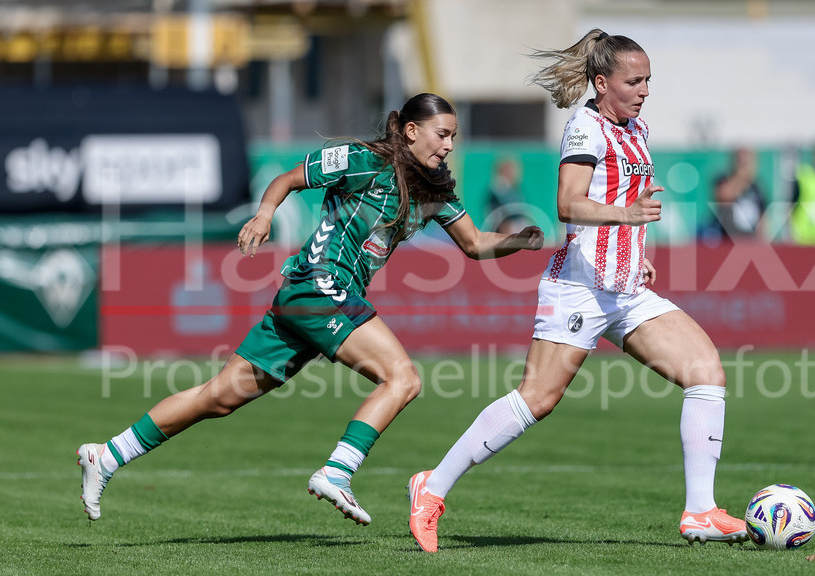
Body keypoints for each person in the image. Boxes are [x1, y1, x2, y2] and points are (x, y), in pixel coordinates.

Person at [77, 93, 544, 526]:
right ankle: (338, 471)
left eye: (454, 137)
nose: (448, 145)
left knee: (218, 397)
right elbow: (289, 178)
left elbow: (475, 243)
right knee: (403, 378)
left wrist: (518, 242)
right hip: (320, 283)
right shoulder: (364, 160)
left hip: (308, 299)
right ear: (410, 131)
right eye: (442, 133)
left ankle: (108, 455)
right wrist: (263, 215)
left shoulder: (434, 190)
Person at [406, 30, 748, 553]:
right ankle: (432, 486)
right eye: (634, 81)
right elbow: (569, 203)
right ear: (602, 81)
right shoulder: (585, 127)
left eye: (649, 80)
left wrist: (636, 247)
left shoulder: (636, 129)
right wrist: (627, 216)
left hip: (627, 288)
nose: (644, 90)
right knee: (537, 400)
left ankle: (700, 510)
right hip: (580, 290)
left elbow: (620, 203)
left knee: (706, 373)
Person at [698, 146, 766, 242]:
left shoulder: (756, 186)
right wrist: (741, 177)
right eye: (741, 157)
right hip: (726, 239)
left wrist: (762, 239)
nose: (744, 161)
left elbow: (762, 215)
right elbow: (723, 196)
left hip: (749, 241)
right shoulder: (723, 180)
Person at [485, 157, 533, 234]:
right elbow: (494, 211)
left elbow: (522, 209)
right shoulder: (497, 188)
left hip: (518, 221)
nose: (511, 173)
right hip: (503, 222)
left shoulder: (516, 188)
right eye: (507, 170)